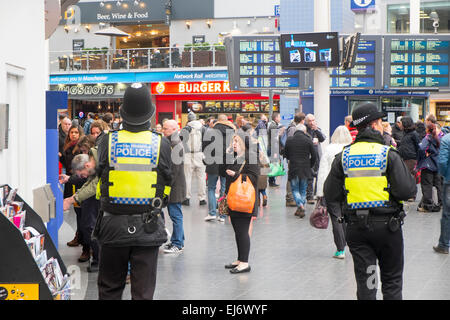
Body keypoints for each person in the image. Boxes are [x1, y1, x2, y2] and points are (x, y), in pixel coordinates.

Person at [324, 102, 416, 300]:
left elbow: (330, 194)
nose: (383, 125)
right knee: (391, 281)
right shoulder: (387, 154)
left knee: (368, 282)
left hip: (357, 230)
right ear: (374, 125)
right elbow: (407, 190)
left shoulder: (344, 157)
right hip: (387, 229)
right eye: (381, 122)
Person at [95, 83, 172, 300]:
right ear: (150, 113)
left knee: (109, 288)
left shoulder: (107, 141)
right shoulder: (161, 143)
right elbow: (168, 180)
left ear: (123, 112)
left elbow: (100, 173)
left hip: (111, 225)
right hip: (148, 226)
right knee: (143, 292)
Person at [60, 146, 100, 272]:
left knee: (93, 226)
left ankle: (101, 261)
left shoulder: (100, 160)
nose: (82, 177)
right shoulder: (94, 162)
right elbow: (90, 182)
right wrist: (73, 198)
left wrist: (70, 200)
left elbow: (94, 185)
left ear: (87, 166)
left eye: (82, 175)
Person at [224, 134, 259, 274]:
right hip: (235, 199)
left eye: (236, 142)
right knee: (238, 231)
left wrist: (236, 175)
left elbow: (254, 178)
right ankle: (240, 259)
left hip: (244, 201)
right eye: (233, 142)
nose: (234, 144)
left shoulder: (251, 157)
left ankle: (244, 262)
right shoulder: (235, 157)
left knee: (243, 231)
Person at [316, 126, 352, 259]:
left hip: (332, 188)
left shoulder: (329, 149)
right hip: (348, 188)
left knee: (336, 217)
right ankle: (348, 241)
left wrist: (320, 192)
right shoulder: (351, 149)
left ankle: (340, 249)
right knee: (346, 216)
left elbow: (323, 172)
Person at [162, 120, 186, 253]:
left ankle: (178, 243)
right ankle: (178, 240)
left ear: (173, 129)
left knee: (176, 215)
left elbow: (174, 170)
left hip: (175, 187)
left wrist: (167, 186)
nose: (163, 130)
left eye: (166, 129)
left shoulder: (175, 144)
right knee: (176, 214)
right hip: (175, 185)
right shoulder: (172, 143)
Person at [283, 123, 316, 218]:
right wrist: (310, 165)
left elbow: (286, 154)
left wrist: (291, 158)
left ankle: (300, 206)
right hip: (305, 169)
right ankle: (301, 206)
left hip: (294, 168)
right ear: (304, 131)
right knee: (302, 190)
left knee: (295, 189)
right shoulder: (308, 140)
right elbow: (314, 155)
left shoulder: (289, 140)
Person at [180, 112, 207, 206]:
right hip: (200, 154)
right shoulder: (203, 128)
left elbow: (180, 140)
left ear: (188, 119)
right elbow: (207, 142)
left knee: (187, 177)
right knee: (202, 177)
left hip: (188, 155)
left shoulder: (185, 128)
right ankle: (202, 199)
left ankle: (187, 198)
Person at [203, 118, 227, 222]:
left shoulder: (209, 133)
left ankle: (212, 213)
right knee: (224, 188)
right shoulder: (230, 132)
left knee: (211, 188)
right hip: (226, 164)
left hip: (212, 164)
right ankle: (222, 215)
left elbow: (204, 148)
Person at [417, 123, 442, 213]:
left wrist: (424, 155)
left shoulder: (427, 138)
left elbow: (421, 148)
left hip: (427, 164)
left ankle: (428, 206)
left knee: (427, 185)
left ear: (427, 130)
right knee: (438, 184)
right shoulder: (438, 138)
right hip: (436, 164)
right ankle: (439, 203)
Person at [284, 112, 306, 207]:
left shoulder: (292, 127)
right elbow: (290, 144)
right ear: (301, 120)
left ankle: (293, 197)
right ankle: (290, 198)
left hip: (294, 158)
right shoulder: (293, 129)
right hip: (294, 158)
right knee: (291, 177)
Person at [434, 132, 450, 254]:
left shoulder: (447, 139)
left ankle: (444, 245)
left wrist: (445, 175)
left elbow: (442, 161)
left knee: (447, 214)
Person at [305, 114, 326, 204]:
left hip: (317, 156)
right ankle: (309, 197)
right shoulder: (304, 130)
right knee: (309, 177)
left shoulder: (317, 129)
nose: (312, 122)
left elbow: (323, 138)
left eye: (313, 120)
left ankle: (317, 195)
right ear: (306, 121)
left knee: (319, 176)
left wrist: (316, 130)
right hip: (308, 157)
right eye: (310, 121)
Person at [398, 116, 420, 201]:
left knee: (410, 177)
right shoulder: (405, 133)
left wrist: (417, 159)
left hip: (411, 158)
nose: (400, 125)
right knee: (407, 177)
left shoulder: (414, 134)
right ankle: (409, 195)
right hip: (404, 158)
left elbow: (418, 147)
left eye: (402, 123)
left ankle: (412, 195)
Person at [267, 112, 285, 187]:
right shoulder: (273, 126)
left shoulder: (274, 125)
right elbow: (276, 137)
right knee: (273, 164)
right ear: (276, 118)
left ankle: (272, 180)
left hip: (273, 147)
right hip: (273, 148)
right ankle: (271, 181)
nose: (280, 118)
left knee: (274, 163)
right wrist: (281, 131)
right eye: (279, 117)